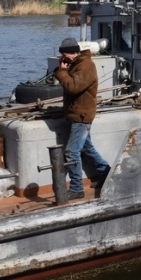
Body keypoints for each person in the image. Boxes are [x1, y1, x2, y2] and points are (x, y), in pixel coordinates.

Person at [54, 37, 110, 200]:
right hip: (79, 113)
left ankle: (77, 188)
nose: (63, 59)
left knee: (72, 152)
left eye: (64, 56)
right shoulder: (78, 64)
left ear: (71, 53)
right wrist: (64, 70)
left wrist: (61, 72)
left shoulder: (86, 66)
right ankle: (107, 175)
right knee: (87, 148)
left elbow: (73, 87)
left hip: (82, 115)